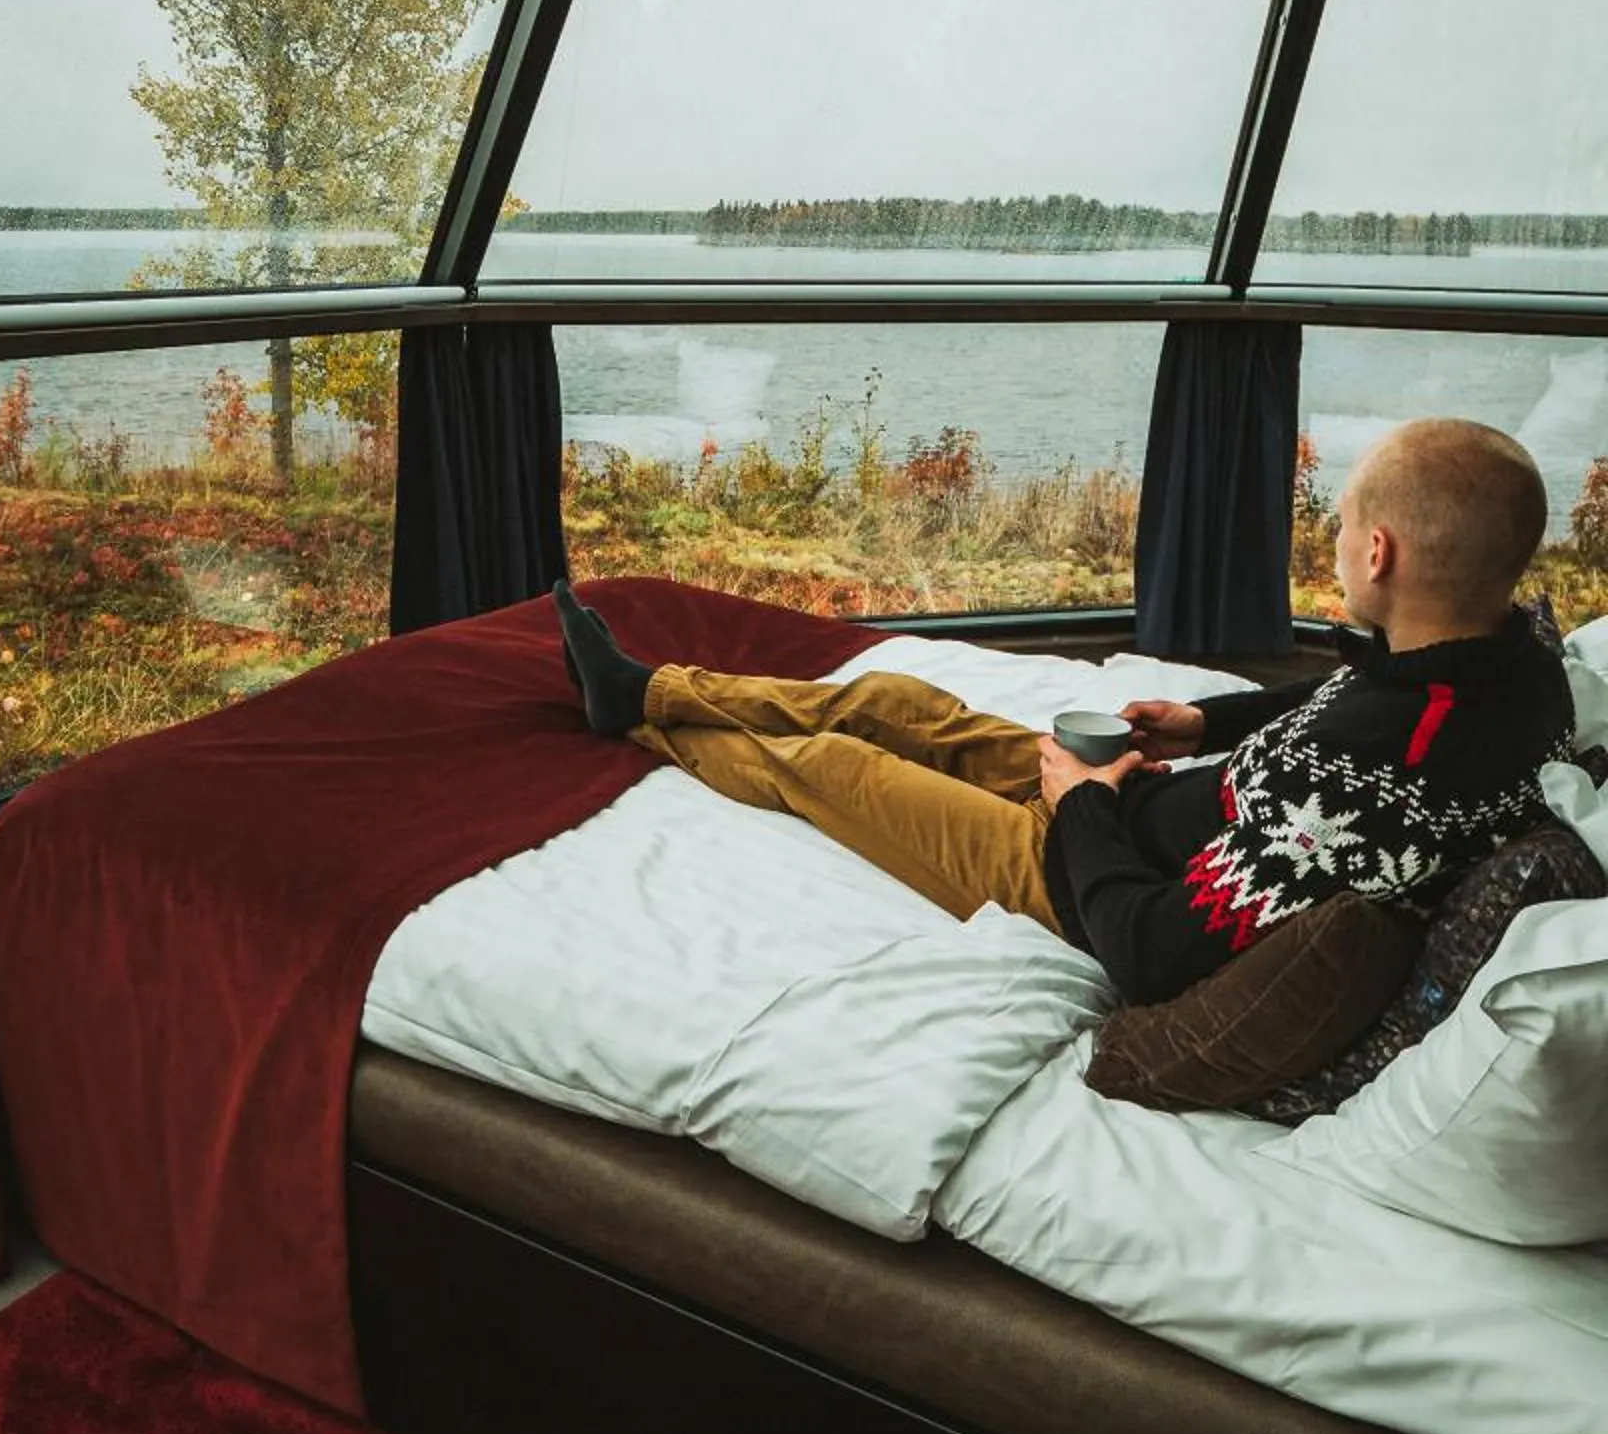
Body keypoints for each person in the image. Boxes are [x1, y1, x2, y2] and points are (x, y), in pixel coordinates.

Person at [552, 417, 1574, 1005]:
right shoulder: (1513, 665)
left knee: (830, 768)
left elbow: (1149, 953)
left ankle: (643, 726)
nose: (1339, 542)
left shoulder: (1364, 784)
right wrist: (1203, 724)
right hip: (1153, 805)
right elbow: (1359, 691)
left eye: (1345, 526)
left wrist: (1080, 804)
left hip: (1079, 881)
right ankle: (646, 686)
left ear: (1376, 554)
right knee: (898, 704)